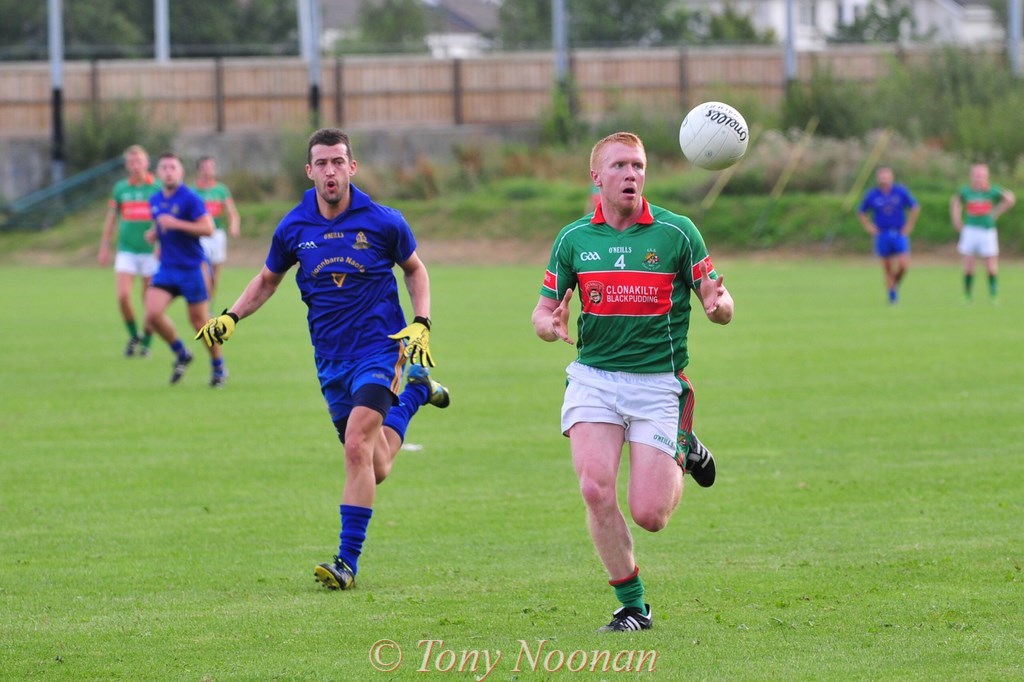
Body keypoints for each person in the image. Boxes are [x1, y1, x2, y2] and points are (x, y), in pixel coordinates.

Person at [195, 127, 450, 591]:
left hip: (381, 347)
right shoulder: (294, 227)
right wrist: (232, 316)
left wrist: (422, 321)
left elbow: (415, 269)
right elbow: (267, 279)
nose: (330, 171)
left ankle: (346, 562)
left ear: (352, 167)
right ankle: (416, 393)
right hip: (331, 361)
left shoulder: (384, 221)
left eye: (338, 162)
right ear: (309, 170)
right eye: (322, 163)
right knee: (375, 465)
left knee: (356, 445)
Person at [531, 131, 733, 632]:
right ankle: (633, 607)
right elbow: (542, 308)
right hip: (594, 380)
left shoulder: (678, 232)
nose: (631, 175)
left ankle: (683, 448)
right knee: (595, 490)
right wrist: (548, 324)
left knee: (651, 514)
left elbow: (720, 301)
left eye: (639, 166)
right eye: (620, 166)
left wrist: (717, 305)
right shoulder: (574, 239)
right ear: (596, 178)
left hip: (657, 386)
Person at [143, 152, 227, 387]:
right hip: (167, 267)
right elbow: (161, 225)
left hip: (192, 268)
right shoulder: (155, 199)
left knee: (200, 322)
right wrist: (155, 233)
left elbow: (208, 228)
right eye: (164, 167)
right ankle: (181, 353)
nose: (169, 171)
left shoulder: (190, 198)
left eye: (173, 167)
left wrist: (175, 224)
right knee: (151, 314)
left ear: (180, 172)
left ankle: (218, 366)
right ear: (158, 173)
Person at [98, 144, 162, 357]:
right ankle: (135, 335)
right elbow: (111, 219)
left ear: (147, 163)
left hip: (151, 252)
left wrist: (161, 245)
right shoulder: (120, 189)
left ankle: (148, 343)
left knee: (149, 301)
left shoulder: (158, 188)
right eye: (132, 162)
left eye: (139, 161)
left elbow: (163, 220)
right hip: (126, 250)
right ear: (127, 165)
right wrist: (105, 246)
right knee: (123, 296)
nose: (135, 166)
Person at [950, 163, 1016, 302]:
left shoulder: (992, 191)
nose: (979, 178)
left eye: (981, 175)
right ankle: (967, 295)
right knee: (968, 265)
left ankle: (993, 295)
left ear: (987, 176)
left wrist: (997, 212)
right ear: (971, 176)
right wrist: (956, 219)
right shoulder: (966, 191)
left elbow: (1010, 199)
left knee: (991, 266)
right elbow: (955, 201)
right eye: (976, 175)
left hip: (987, 231)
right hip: (970, 230)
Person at [857, 166, 920, 304]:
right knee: (887, 267)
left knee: (903, 265)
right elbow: (861, 212)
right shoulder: (872, 195)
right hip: (882, 234)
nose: (884, 179)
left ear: (891, 177)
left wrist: (909, 226)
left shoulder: (900, 192)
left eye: (886, 176)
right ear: (878, 178)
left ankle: (894, 286)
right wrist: (869, 227)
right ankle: (892, 296)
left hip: (899, 233)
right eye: (881, 177)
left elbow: (915, 207)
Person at [193, 156, 241, 304]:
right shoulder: (192, 191)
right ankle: (203, 302)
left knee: (214, 275)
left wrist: (234, 225)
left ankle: (209, 303)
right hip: (200, 235)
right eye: (204, 167)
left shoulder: (221, 190)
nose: (207, 171)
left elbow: (231, 212)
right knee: (204, 271)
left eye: (210, 167)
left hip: (217, 235)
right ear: (199, 170)